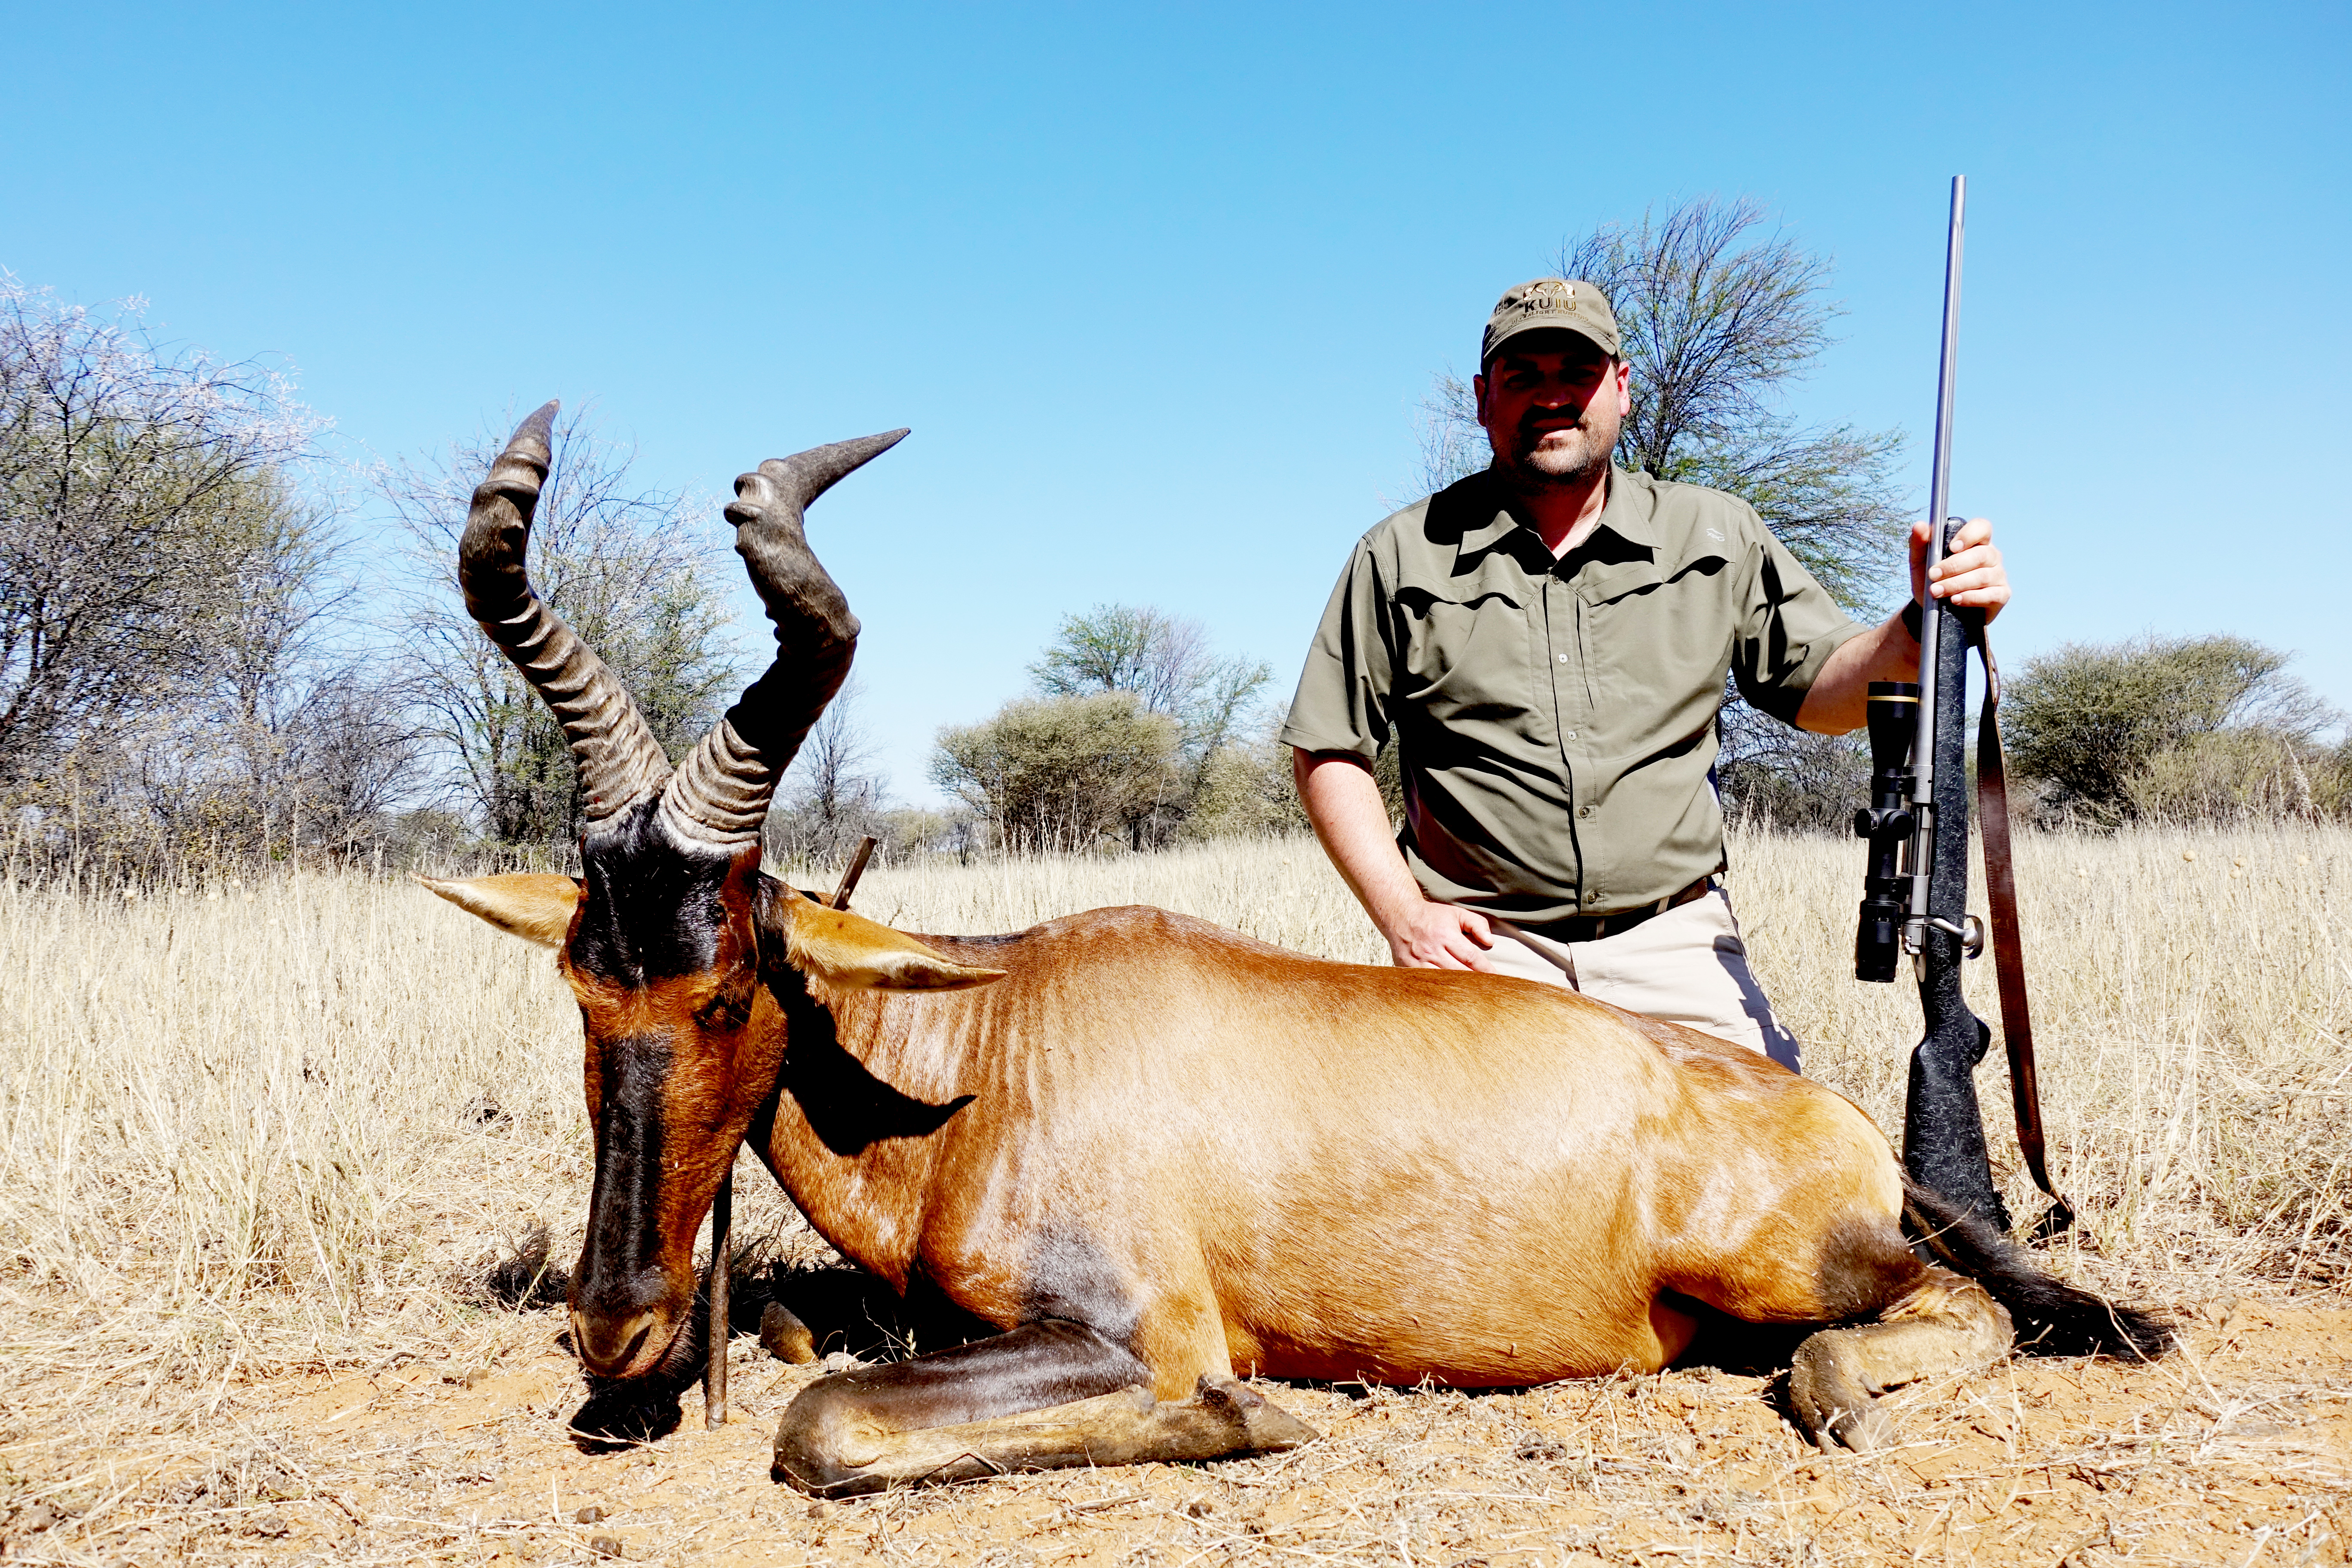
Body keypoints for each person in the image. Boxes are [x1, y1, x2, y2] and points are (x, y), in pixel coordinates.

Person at [1278, 278, 2011, 1071]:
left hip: (1676, 942)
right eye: (1523, 377)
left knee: (1786, 1165)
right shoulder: (1399, 554)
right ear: (1484, 401)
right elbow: (1328, 749)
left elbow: (1823, 691)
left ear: (1621, 390)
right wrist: (1403, 915)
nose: (1553, 397)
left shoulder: (1716, 531)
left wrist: (1916, 630)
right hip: (1486, 951)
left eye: (1578, 373)